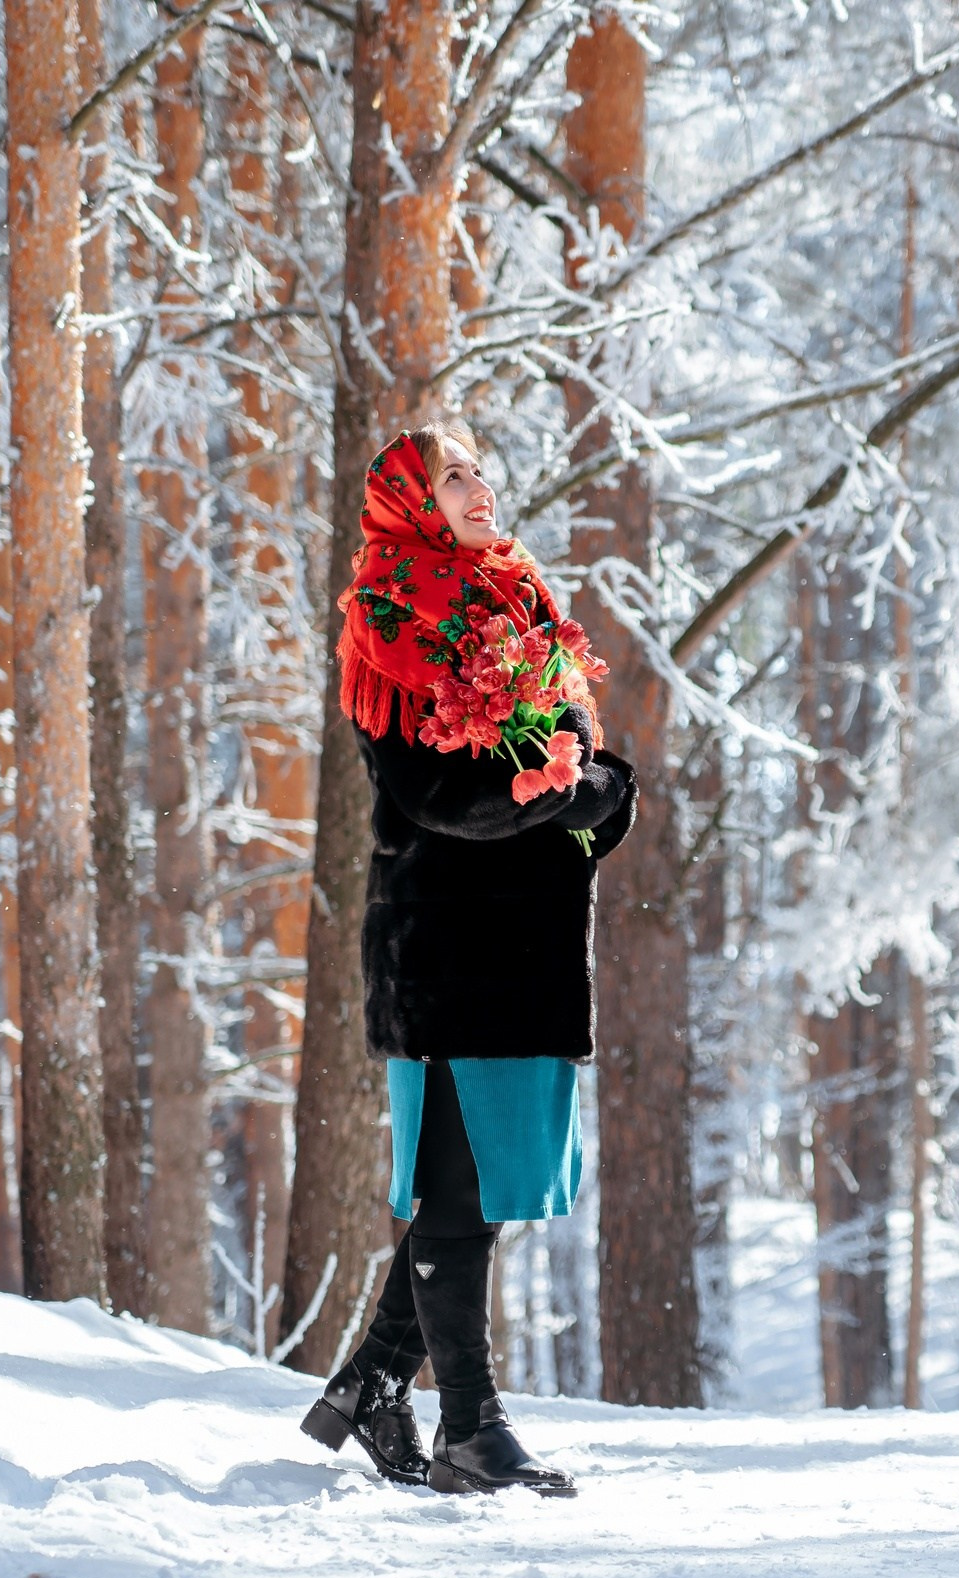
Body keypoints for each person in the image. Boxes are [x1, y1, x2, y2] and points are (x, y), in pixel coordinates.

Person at [299, 422, 635, 1498]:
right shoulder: (389, 624)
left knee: (482, 1189)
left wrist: (590, 788)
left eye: (483, 471)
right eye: (453, 476)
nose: (478, 489)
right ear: (409, 499)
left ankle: (371, 1388)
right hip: (444, 942)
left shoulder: (524, 600)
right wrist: (534, 793)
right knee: (455, 1188)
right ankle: (469, 1426)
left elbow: (588, 760)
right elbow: (428, 797)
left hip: (533, 943)